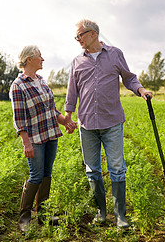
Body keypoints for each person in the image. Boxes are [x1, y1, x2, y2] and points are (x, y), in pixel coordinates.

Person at [64, 19, 152, 229]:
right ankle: (101, 213)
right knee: (92, 170)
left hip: (111, 121)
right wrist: (67, 115)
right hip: (86, 124)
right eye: (76, 37)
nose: (77, 40)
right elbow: (72, 91)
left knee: (117, 169)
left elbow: (129, 78)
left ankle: (120, 216)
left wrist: (141, 91)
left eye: (80, 35)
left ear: (93, 33)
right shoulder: (77, 61)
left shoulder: (115, 54)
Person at [10, 45, 77, 232]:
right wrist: (26, 143)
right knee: (36, 175)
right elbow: (19, 118)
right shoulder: (18, 85)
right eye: (40, 56)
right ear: (29, 59)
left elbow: (51, 110)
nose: (43, 59)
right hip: (35, 138)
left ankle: (43, 215)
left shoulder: (41, 80)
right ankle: (24, 219)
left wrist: (65, 122)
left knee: (47, 174)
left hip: (50, 134)